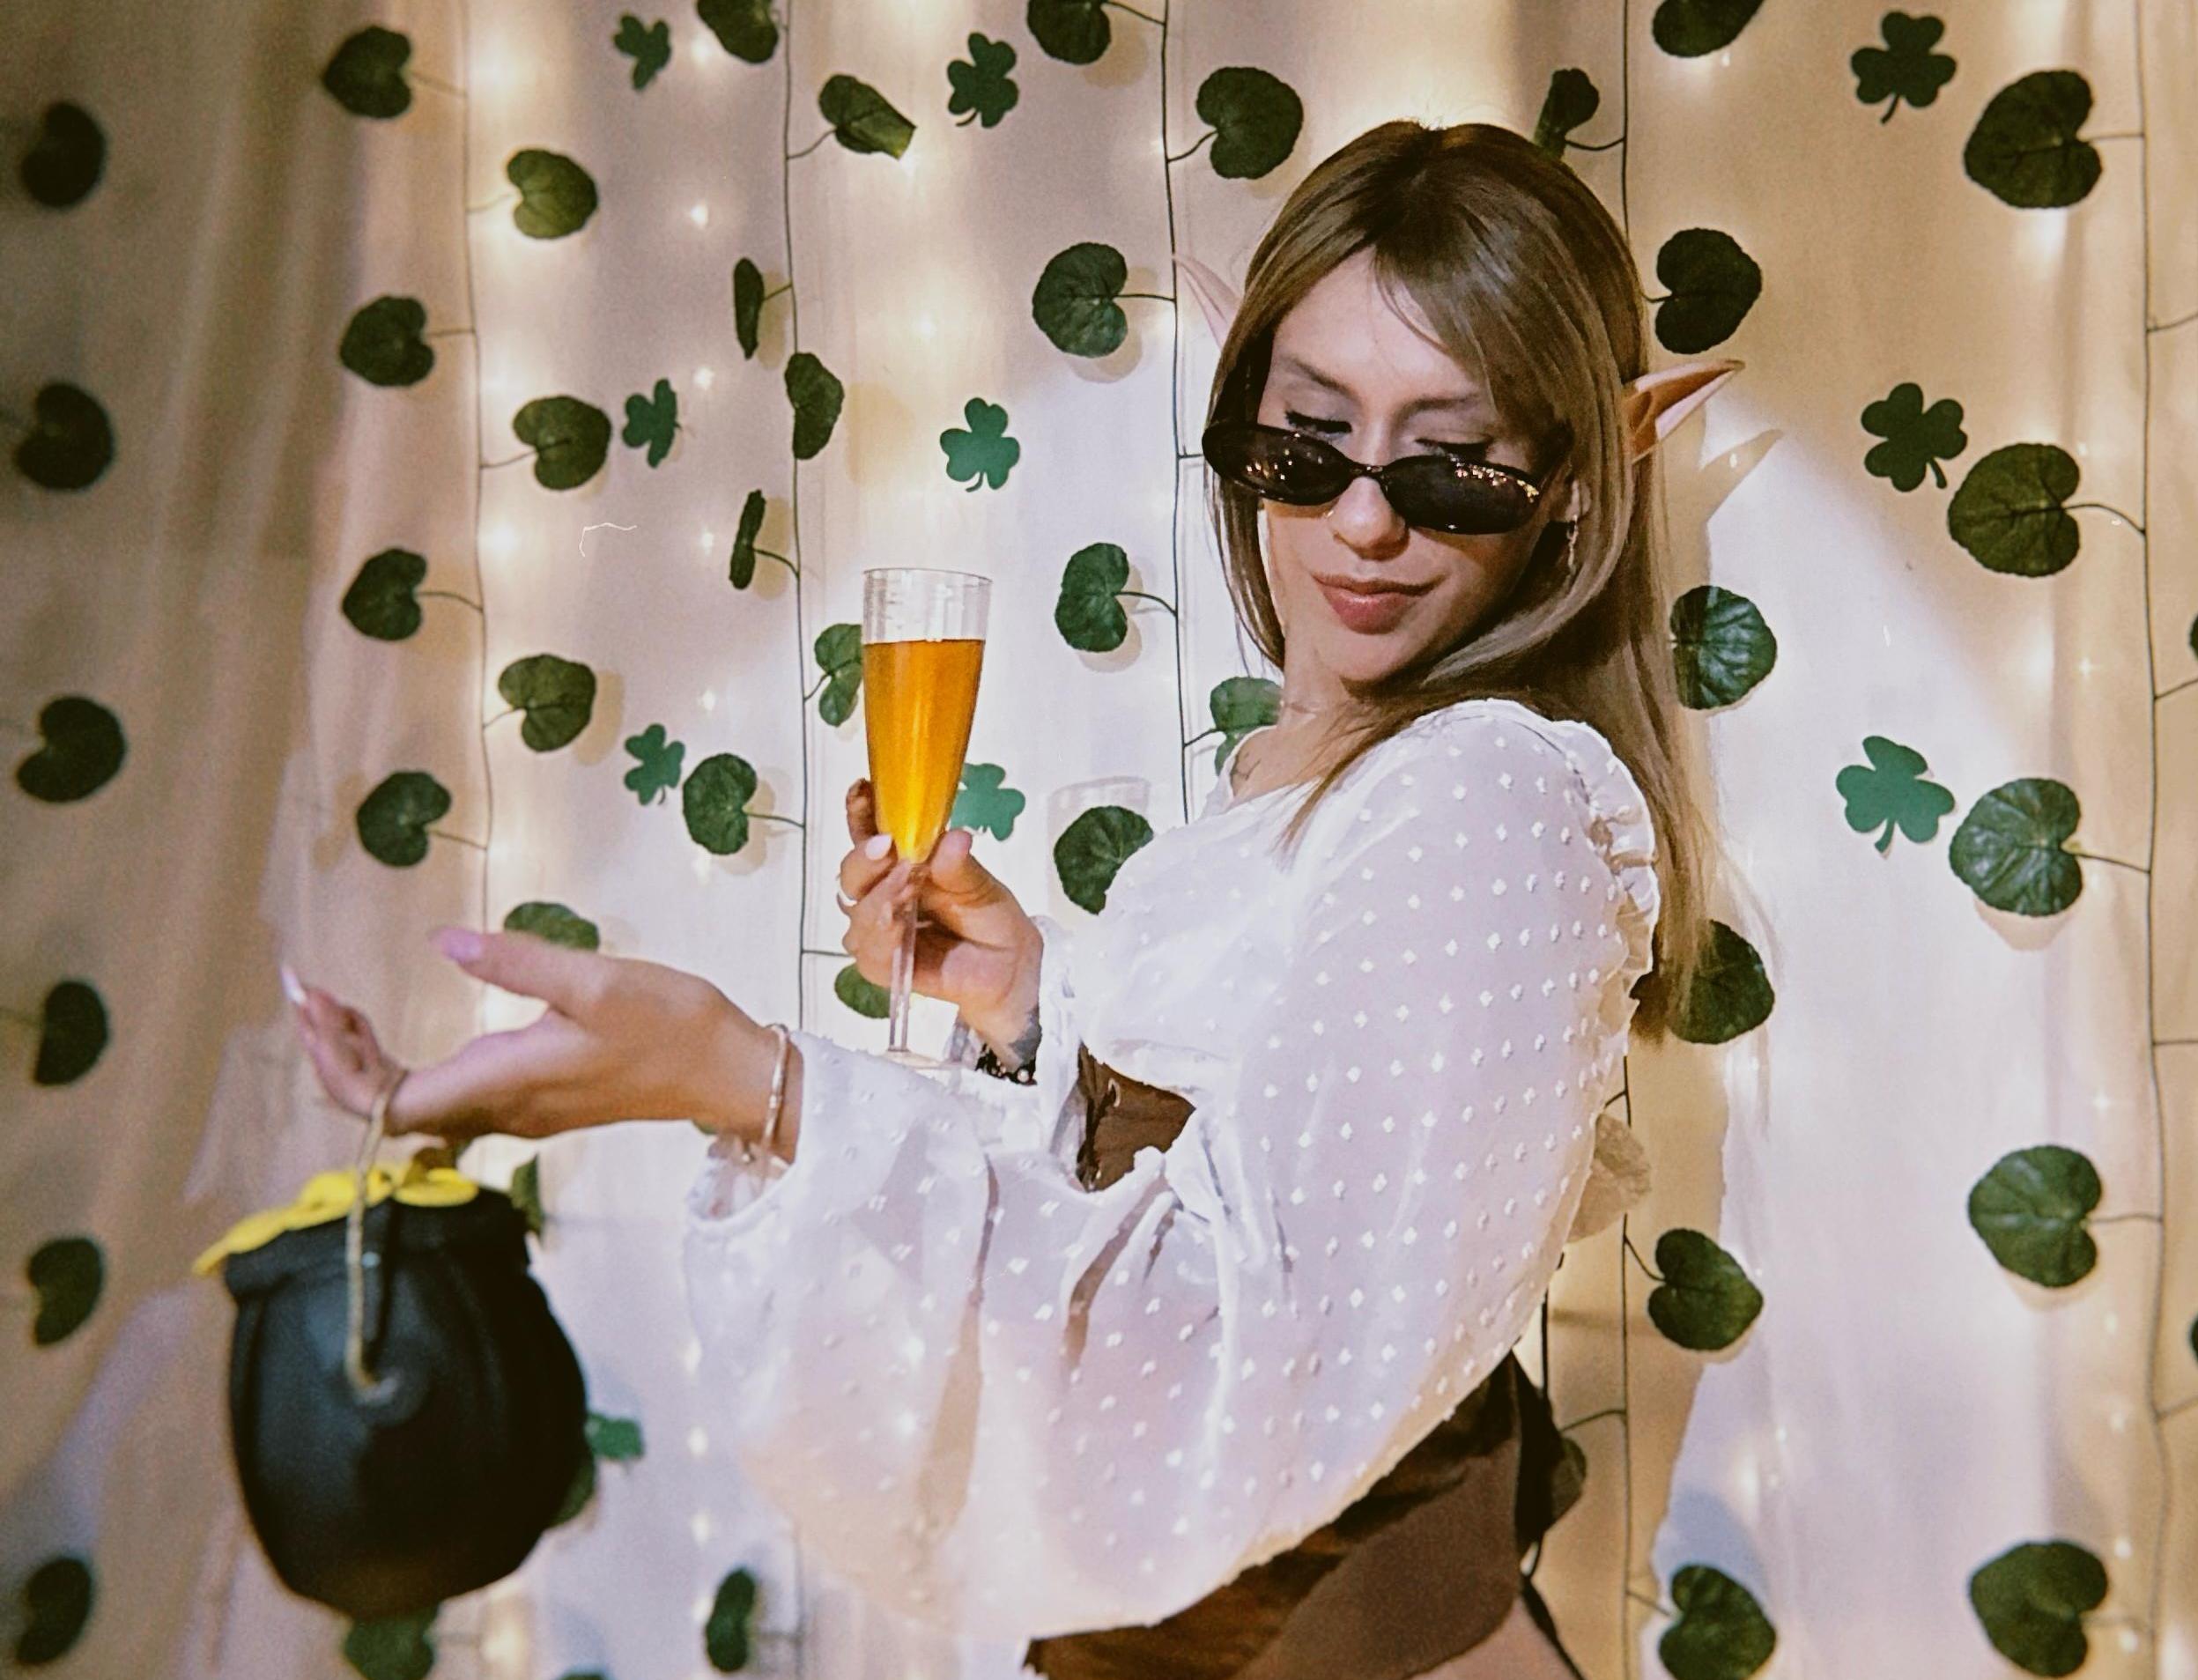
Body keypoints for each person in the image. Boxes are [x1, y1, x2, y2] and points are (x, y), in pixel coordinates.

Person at [286, 118, 1733, 1679]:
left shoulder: (1484, 793)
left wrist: (748, 1081)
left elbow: (1259, 1359)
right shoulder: (1333, 774)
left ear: (1577, 478)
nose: (1363, 521)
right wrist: (1029, 1012)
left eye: (1452, 468)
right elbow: (1234, 1177)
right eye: (1304, 448)